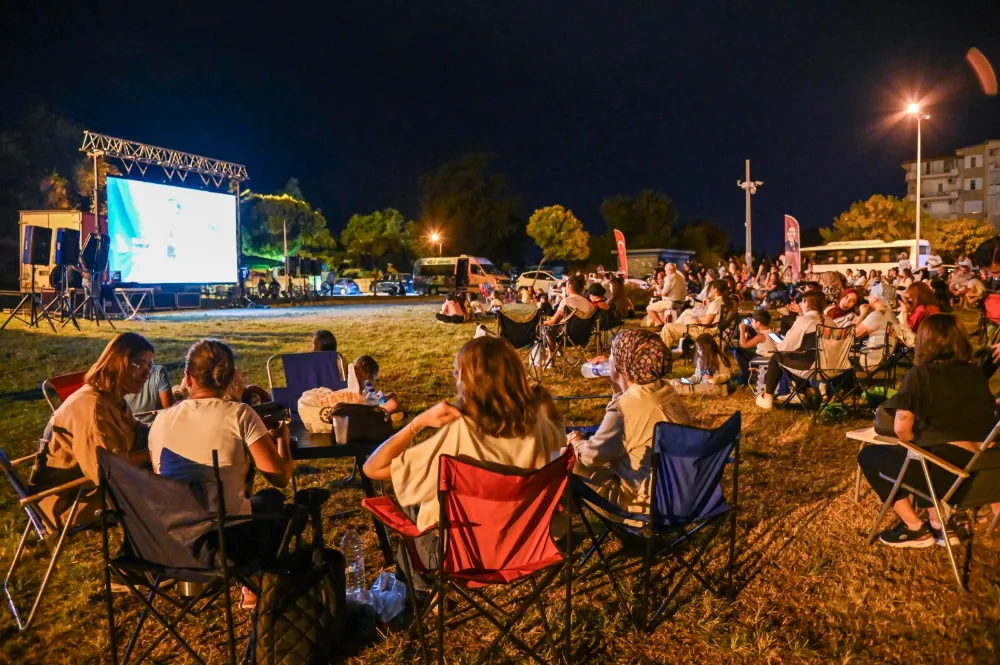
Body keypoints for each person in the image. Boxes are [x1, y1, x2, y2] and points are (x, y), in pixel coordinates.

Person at [362, 336, 565, 578]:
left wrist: (417, 423)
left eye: (458, 373)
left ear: (470, 381)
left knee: (415, 496)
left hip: (461, 554)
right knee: (423, 487)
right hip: (526, 546)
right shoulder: (541, 421)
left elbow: (373, 468)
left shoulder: (461, 433)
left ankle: (418, 591)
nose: (456, 381)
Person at [858, 314, 999, 547]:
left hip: (945, 476)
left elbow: (902, 429)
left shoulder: (919, 375)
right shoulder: (975, 374)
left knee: (872, 455)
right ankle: (939, 524)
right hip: (981, 473)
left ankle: (914, 528)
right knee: (924, 450)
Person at [29, 333, 154, 527]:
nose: (147, 374)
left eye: (149, 366)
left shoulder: (112, 397)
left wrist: (167, 429)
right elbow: (108, 471)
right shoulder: (94, 408)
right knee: (166, 490)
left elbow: (138, 431)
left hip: (88, 488)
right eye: (140, 364)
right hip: (69, 502)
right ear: (119, 363)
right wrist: (152, 453)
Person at [569, 329, 692, 515]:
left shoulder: (626, 408)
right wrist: (616, 384)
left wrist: (575, 443)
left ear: (621, 364)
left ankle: (557, 531)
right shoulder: (663, 389)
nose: (607, 359)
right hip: (683, 496)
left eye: (611, 354)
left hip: (643, 505)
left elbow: (592, 457)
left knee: (565, 461)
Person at [755, 291, 831, 410]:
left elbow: (786, 347)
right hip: (834, 368)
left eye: (802, 301)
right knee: (796, 358)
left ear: (806, 303)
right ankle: (802, 391)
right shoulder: (831, 321)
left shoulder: (805, 320)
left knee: (777, 357)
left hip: (814, 368)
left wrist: (779, 344)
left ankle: (767, 396)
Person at [660, 279, 730, 350]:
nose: (710, 290)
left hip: (705, 332)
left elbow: (705, 323)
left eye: (711, 288)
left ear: (715, 290)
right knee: (687, 315)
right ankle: (673, 338)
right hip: (713, 331)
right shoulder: (723, 301)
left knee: (667, 327)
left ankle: (663, 354)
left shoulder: (715, 303)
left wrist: (696, 319)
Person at [853, 284, 898, 369]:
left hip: (869, 360)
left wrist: (862, 314)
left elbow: (853, 335)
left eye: (870, 294)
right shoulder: (890, 314)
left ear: (875, 298)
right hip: (882, 357)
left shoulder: (877, 315)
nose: (868, 297)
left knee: (837, 353)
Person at [732, 309, 777, 384]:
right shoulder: (771, 332)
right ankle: (749, 372)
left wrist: (742, 330)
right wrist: (753, 324)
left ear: (758, 323)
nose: (751, 323)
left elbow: (744, 345)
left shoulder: (761, 336)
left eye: (753, 321)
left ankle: (746, 376)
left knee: (738, 351)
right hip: (772, 359)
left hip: (764, 360)